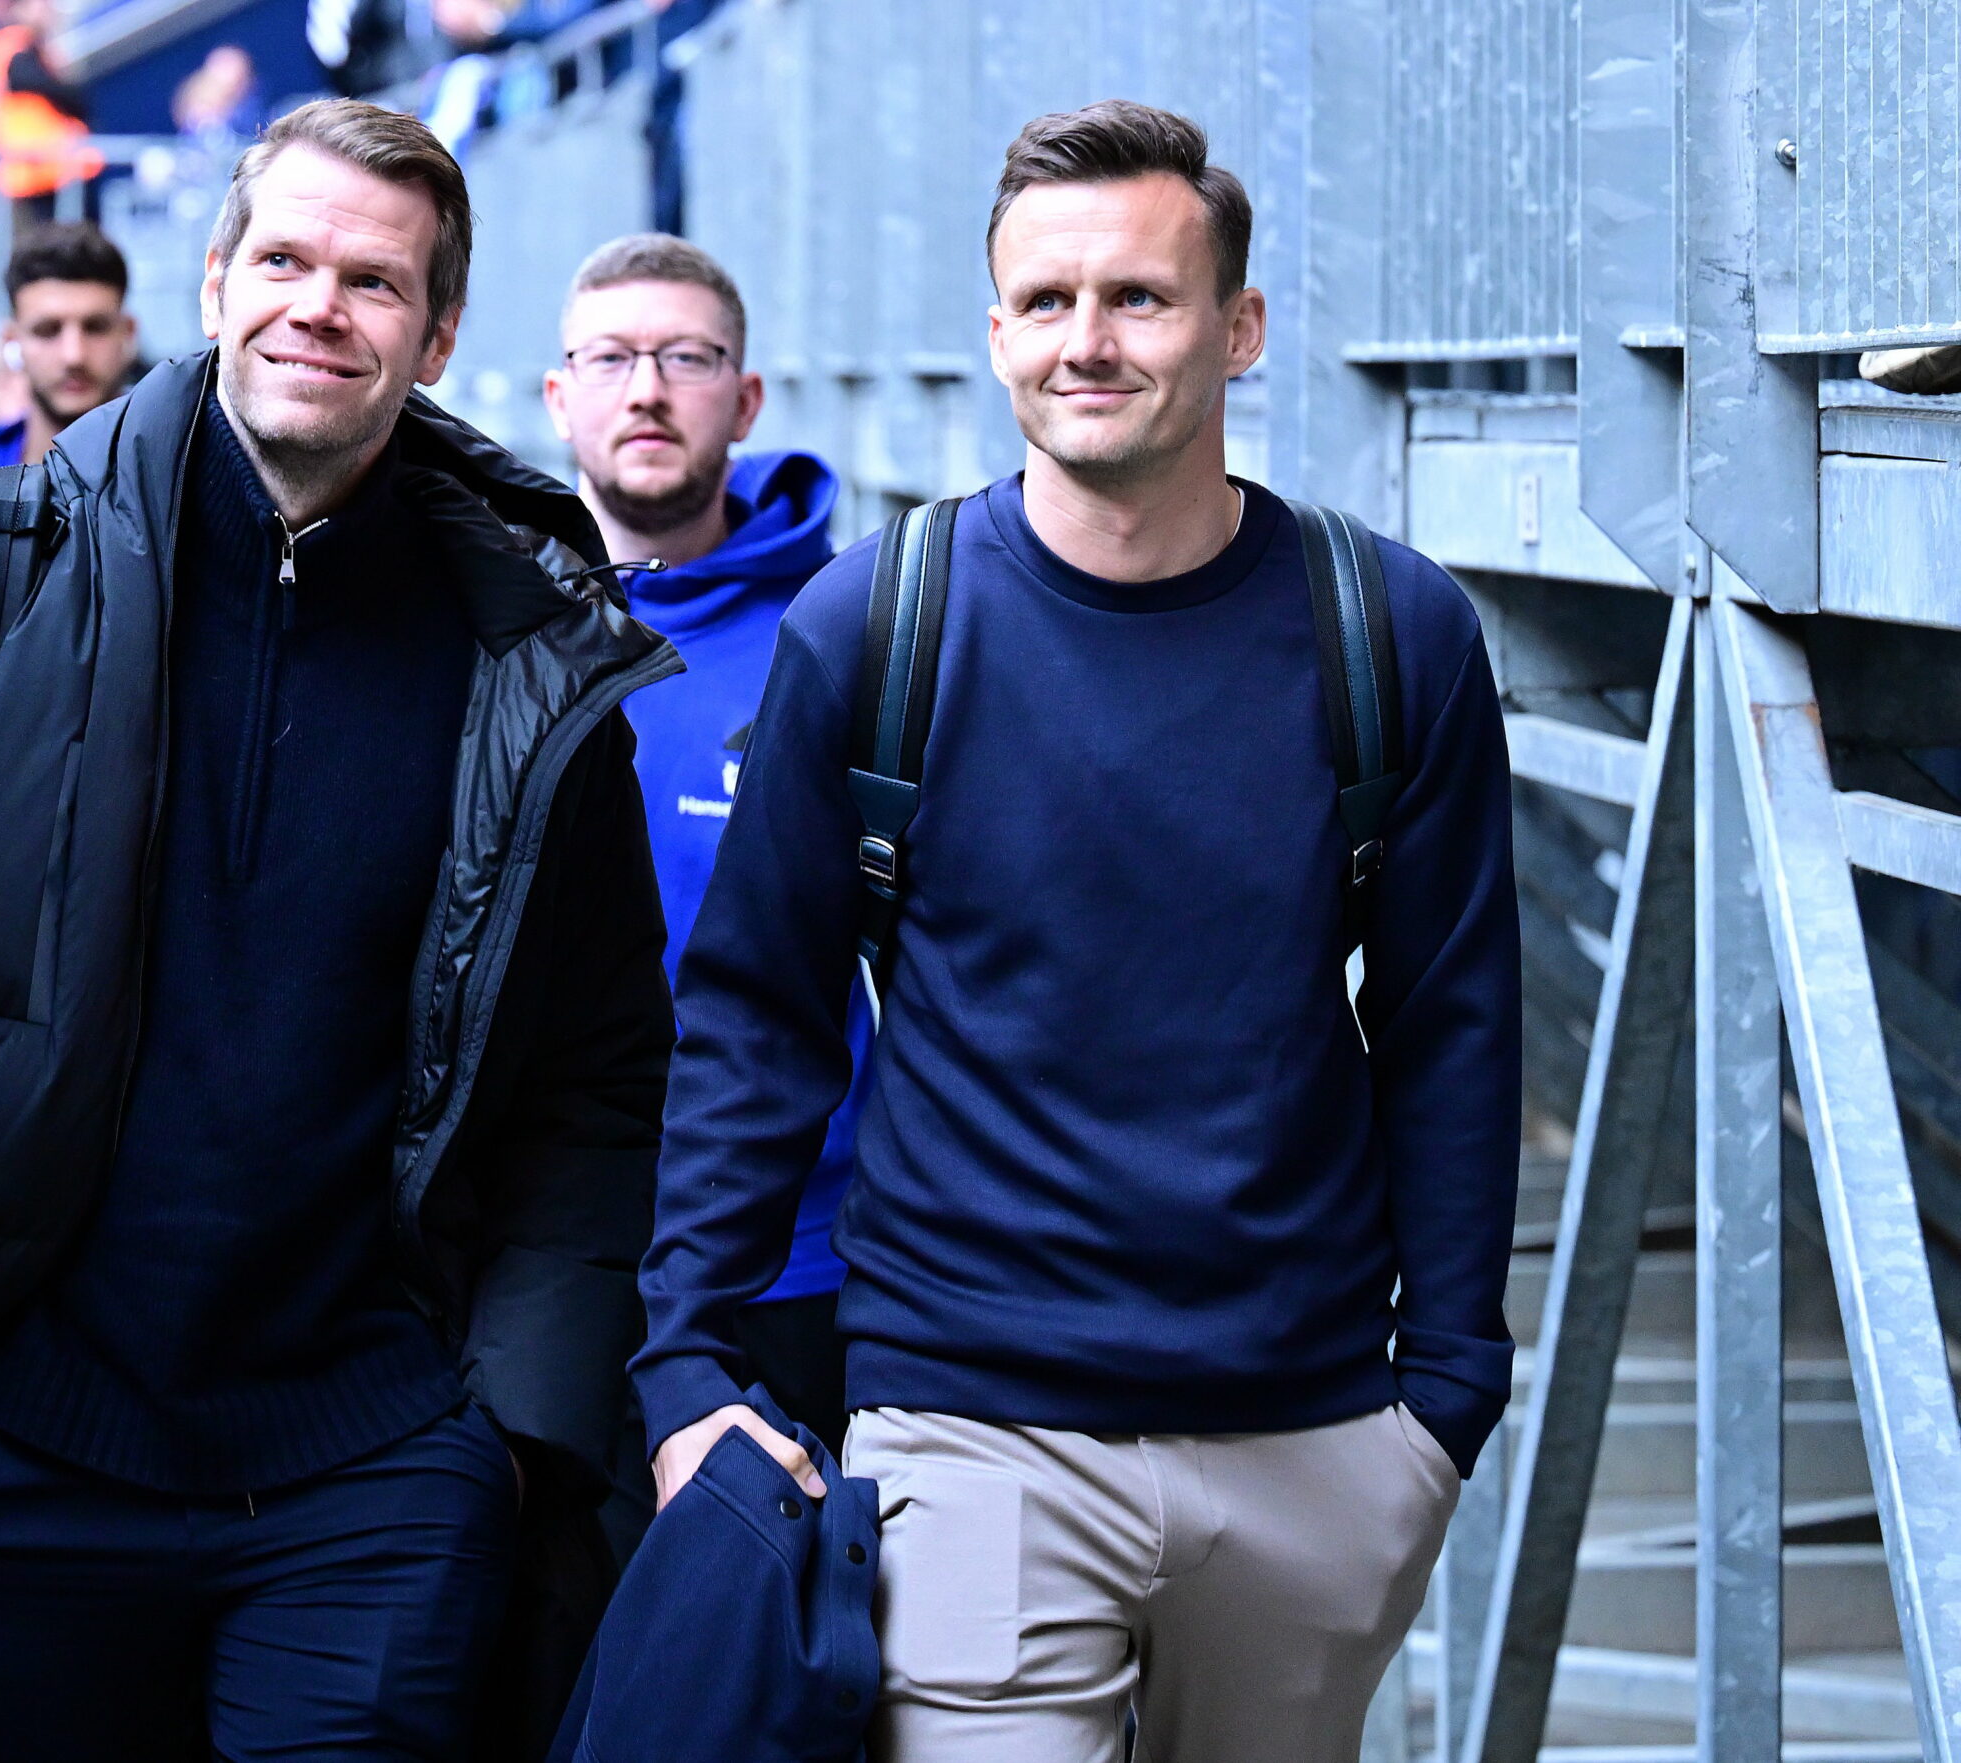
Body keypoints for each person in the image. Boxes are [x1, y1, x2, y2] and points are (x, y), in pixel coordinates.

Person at [0, 98, 675, 1760]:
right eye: (283, 258)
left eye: (374, 281)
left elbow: (596, 1082)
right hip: (0, 1455)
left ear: (436, 333)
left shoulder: (531, 662)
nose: (319, 304)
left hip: (374, 1477)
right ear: (214, 282)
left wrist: (510, 1435)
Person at [635, 100, 1521, 1762]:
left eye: (1139, 297)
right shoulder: (876, 626)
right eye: (1045, 303)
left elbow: (1453, 1018)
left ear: (1239, 328)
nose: (1087, 341)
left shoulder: (1388, 629)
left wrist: (1447, 1393)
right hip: (974, 1425)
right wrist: (687, 1359)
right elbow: (757, 1012)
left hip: (1314, 1429)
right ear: (993, 334)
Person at [542, 232, 862, 1451]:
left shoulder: (843, 630)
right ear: (559, 395)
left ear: (746, 397)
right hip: (554, 1242)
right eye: (612, 357)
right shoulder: (494, 625)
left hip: (794, 1254)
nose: (647, 388)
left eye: (686, 356)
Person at [0, 222, 134, 502]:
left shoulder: (177, 476)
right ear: (11, 341)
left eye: (95, 327)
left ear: (128, 333)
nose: (73, 355)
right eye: (47, 330)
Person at [0, 0, 100, 220]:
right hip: (41, 165)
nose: (50, 11)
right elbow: (61, 93)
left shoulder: (27, 45)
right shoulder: (13, 45)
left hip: (54, 167)